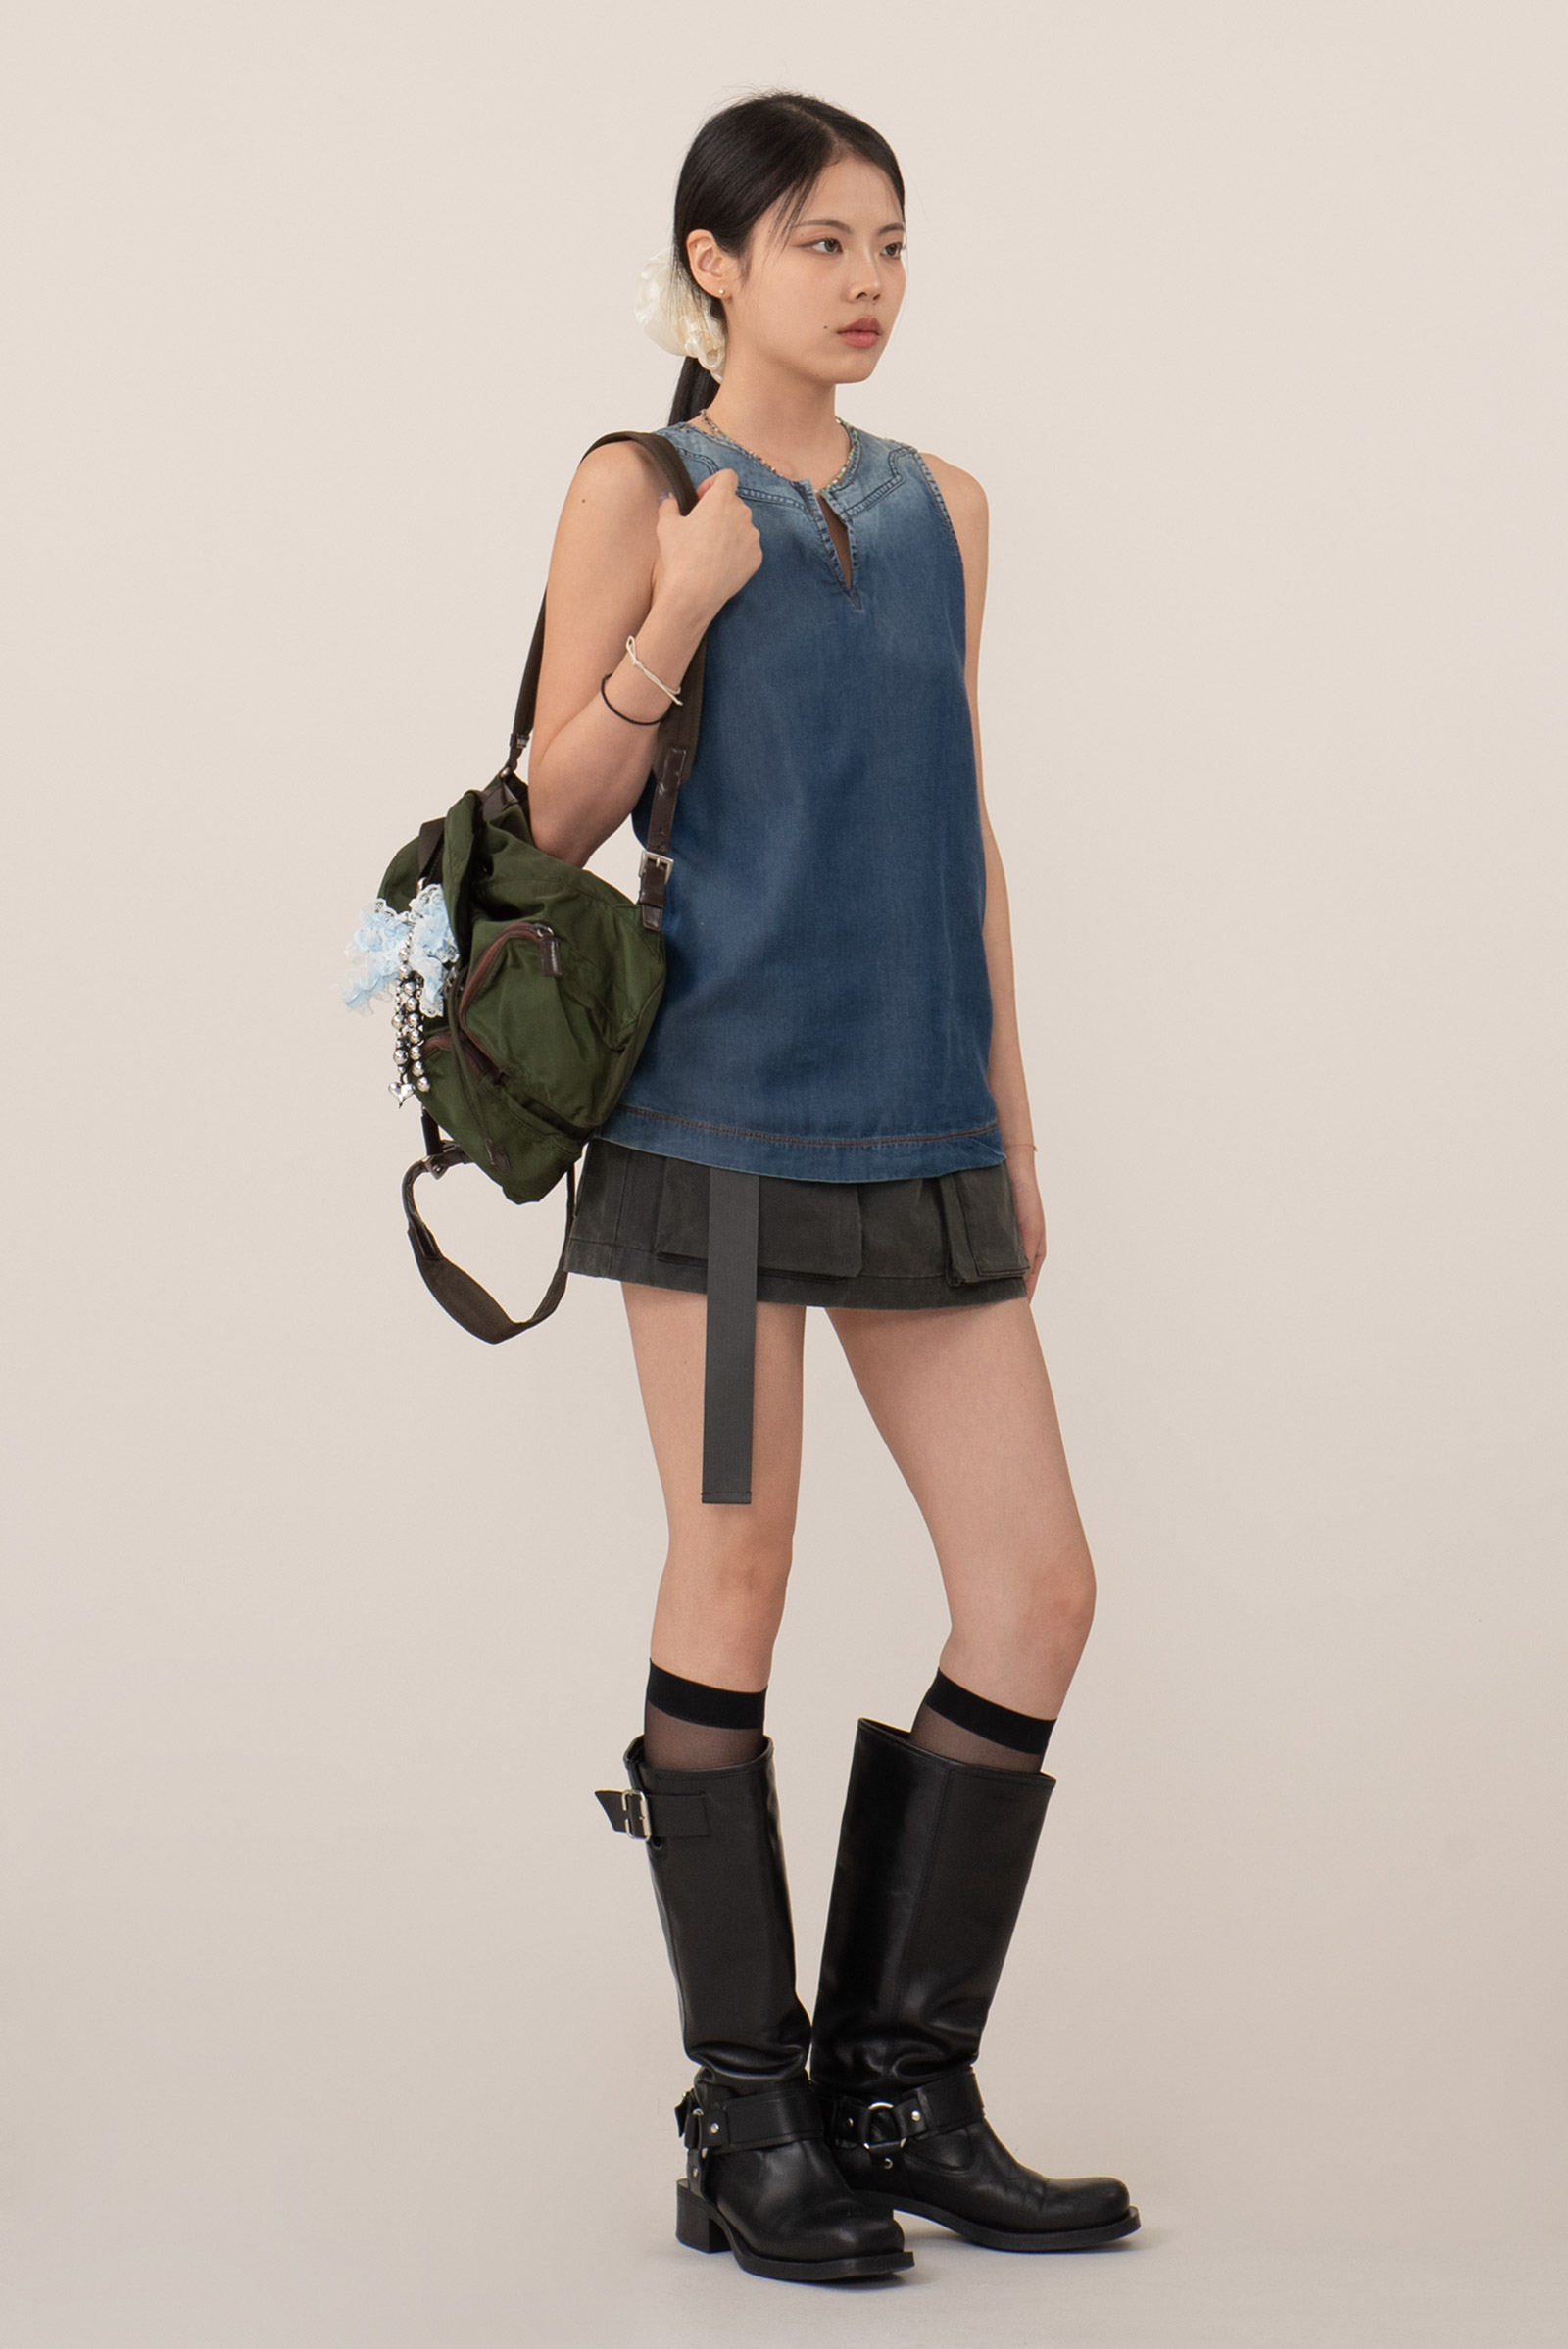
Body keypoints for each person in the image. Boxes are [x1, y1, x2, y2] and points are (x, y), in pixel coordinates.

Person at [525, 91, 1138, 2287]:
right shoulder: (640, 488)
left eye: (889, 241)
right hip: (715, 1149)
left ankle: (897, 2085)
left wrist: (1012, 1118)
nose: (866, 281)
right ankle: (746, 2112)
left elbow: (960, 820)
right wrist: (677, 611)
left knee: (1034, 1591)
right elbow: (547, 813)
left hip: (921, 1125)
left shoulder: (945, 506)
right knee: (738, 1559)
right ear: (714, 263)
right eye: (818, 242)